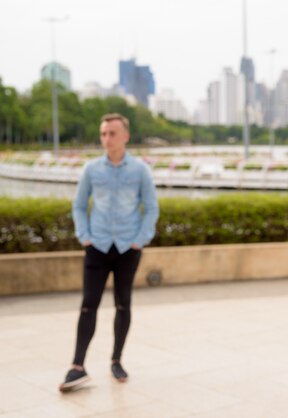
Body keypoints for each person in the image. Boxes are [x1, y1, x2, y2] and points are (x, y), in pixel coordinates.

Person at [59, 113, 159, 392]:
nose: (107, 139)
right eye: (103, 134)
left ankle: (116, 360)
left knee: (123, 304)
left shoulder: (140, 170)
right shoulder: (92, 169)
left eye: (112, 133)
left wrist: (140, 240)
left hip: (128, 247)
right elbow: (79, 206)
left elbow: (151, 208)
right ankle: (77, 366)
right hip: (98, 247)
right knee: (88, 304)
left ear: (125, 136)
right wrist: (85, 237)